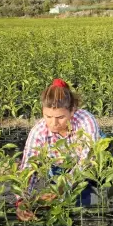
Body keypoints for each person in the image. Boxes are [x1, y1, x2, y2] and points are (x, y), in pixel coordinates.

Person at [19, 78, 101, 208]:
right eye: (48, 116)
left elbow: (88, 159)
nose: (53, 123)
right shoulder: (39, 131)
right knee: (69, 205)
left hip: (91, 166)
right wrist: (22, 200)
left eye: (60, 117)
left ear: (73, 110)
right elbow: (28, 166)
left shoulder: (85, 121)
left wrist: (61, 187)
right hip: (60, 170)